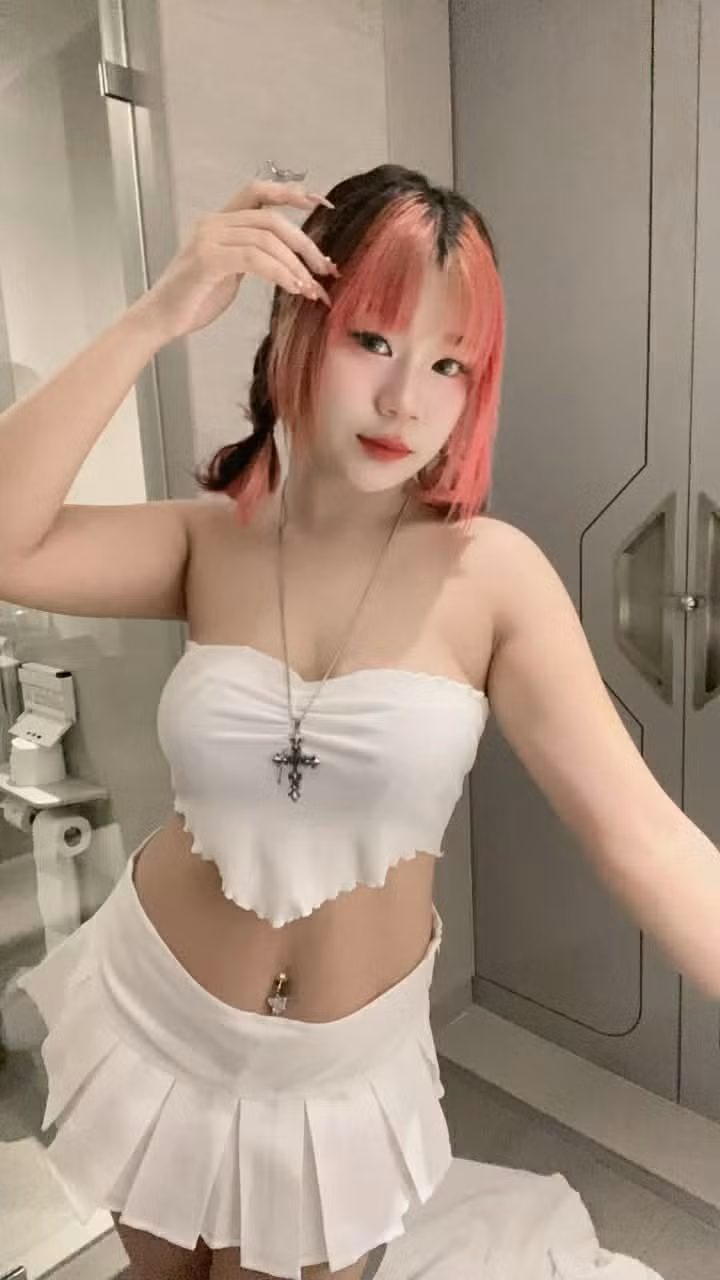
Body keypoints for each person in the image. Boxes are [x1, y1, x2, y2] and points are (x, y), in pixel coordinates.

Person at [3, 162, 719, 1280]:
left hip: (335, 1081)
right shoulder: (208, 540)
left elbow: (648, 838)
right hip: (159, 1016)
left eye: (448, 364)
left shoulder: (491, 575)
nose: (405, 402)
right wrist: (159, 312)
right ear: (297, 325)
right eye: (373, 340)